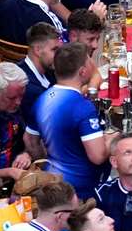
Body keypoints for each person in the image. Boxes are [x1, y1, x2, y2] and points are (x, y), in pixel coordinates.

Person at [33, 41, 107, 195]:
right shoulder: (82, 106)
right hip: (84, 189)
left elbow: (30, 140)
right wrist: (113, 140)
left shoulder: (42, 99)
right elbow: (98, 156)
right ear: (82, 72)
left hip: (53, 182)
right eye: (89, 61)